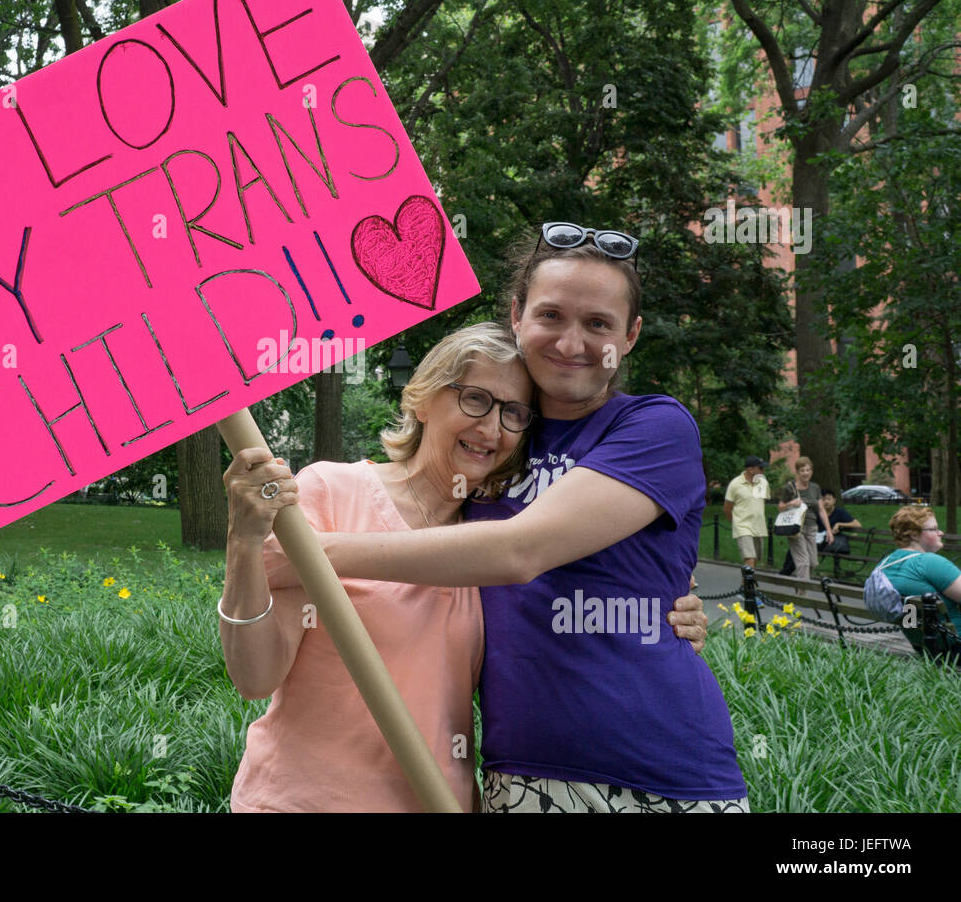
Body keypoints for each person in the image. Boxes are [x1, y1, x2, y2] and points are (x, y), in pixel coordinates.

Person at [275, 225, 745, 812]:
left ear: (630, 337)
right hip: (518, 775)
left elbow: (519, 551)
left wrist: (309, 554)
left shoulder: (654, 426)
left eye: (598, 323)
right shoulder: (492, 447)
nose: (572, 342)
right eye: (551, 314)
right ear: (518, 316)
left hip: (659, 769)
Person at [878, 506, 961, 636]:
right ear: (914, 535)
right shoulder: (930, 562)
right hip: (954, 643)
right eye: (934, 529)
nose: (941, 533)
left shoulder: (886, 564)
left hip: (924, 645)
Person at [777, 457, 833, 580]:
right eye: (802, 470)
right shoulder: (790, 488)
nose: (805, 473)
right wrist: (791, 503)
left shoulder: (815, 488)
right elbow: (780, 507)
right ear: (797, 472)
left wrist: (829, 530)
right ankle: (802, 597)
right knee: (803, 563)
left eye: (808, 470)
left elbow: (821, 510)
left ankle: (800, 586)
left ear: (811, 472)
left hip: (811, 528)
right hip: (796, 529)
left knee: (813, 563)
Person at [724, 457, 769, 568]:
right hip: (743, 526)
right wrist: (735, 523)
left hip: (758, 527)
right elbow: (727, 508)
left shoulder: (763, 483)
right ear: (751, 469)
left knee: (755, 559)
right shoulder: (735, 484)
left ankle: (746, 584)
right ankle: (748, 585)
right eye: (761, 468)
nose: (763, 471)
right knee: (750, 558)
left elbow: (762, 502)